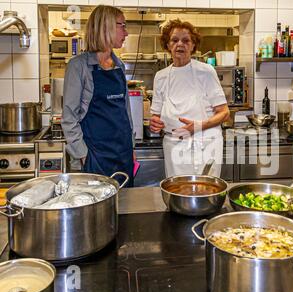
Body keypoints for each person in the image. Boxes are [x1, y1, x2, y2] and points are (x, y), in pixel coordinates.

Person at [62, 5, 134, 187]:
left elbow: (125, 111)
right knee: (96, 212)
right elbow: (69, 117)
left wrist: (130, 145)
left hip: (123, 152)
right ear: (106, 26)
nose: (126, 32)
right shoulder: (78, 66)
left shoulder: (119, 66)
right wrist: (82, 154)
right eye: (122, 26)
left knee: (124, 208)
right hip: (95, 155)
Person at [149, 19, 229, 178]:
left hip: (205, 143)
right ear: (168, 45)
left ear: (193, 46)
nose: (180, 44)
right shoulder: (161, 76)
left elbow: (224, 113)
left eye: (186, 40)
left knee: (205, 192)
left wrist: (196, 126)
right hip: (173, 145)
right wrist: (154, 124)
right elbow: (155, 116)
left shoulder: (205, 72)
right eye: (174, 40)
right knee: (177, 192)